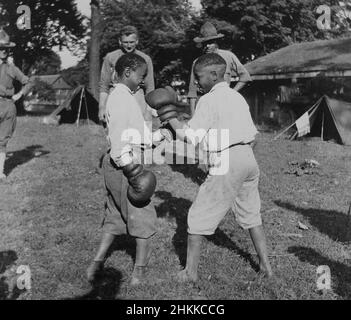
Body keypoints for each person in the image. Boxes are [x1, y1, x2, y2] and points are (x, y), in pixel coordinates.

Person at [149, 53, 273, 282]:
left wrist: (170, 116)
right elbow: (254, 135)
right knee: (251, 214)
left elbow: (192, 137)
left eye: (199, 76)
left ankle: (190, 272)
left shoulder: (208, 100)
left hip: (227, 160)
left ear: (214, 75)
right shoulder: (237, 98)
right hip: (248, 157)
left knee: (197, 216)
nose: (195, 82)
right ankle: (266, 267)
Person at [86, 53, 170, 286]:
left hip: (116, 164)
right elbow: (121, 139)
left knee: (114, 214)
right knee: (142, 215)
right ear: (127, 73)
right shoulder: (122, 99)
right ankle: (139, 272)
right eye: (141, 76)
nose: (143, 81)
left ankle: (96, 262)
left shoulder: (122, 96)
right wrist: (133, 171)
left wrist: (158, 136)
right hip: (125, 163)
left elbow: (135, 133)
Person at [188, 22, 252, 115]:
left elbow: (245, 77)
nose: (207, 46)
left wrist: (231, 93)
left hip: (225, 105)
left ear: (216, 42)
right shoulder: (197, 62)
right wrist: (193, 116)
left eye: (210, 43)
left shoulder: (228, 56)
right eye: (205, 43)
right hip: (205, 106)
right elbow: (192, 91)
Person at [98, 25, 155, 126]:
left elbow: (150, 87)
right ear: (120, 42)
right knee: (115, 131)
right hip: (115, 95)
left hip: (137, 95)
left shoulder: (145, 58)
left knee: (140, 133)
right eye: (125, 42)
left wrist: (148, 111)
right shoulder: (110, 57)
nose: (129, 46)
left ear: (137, 41)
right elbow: (104, 85)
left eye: (132, 42)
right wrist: (102, 107)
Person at [0, 28, 31, 180]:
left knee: (2, 140)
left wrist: (19, 95)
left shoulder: (12, 68)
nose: (3, 51)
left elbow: (29, 82)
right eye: (1, 48)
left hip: (7, 106)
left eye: (6, 49)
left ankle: (0, 172)